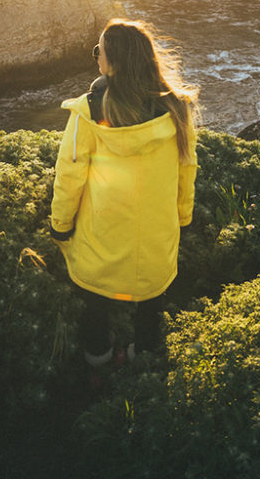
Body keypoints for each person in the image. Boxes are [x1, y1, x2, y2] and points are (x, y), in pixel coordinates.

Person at [50, 18, 198, 366]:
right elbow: (186, 168)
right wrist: (183, 217)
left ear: (111, 62)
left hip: (100, 236)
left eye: (98, 50)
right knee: (151, 306)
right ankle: (142, 361)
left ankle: (99, 362)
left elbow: (69, 176)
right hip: (156, 236)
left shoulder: (88, 111)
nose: (96, 56)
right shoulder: (177, 108)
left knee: (94, 306)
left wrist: (61, 224)